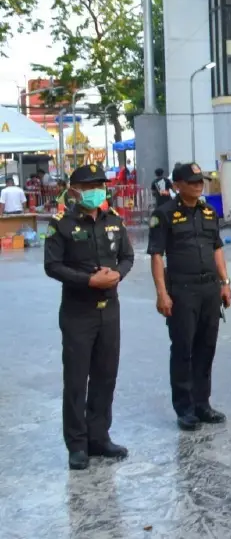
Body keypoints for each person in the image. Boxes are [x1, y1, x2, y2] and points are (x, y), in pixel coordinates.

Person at [43, 162, 134, 470]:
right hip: (78, 312)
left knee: (106, 376)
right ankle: (77, 445)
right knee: (76, 379)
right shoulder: (61, 224)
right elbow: (52, 265)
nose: (96, 191)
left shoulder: (113, 220)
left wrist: (116, 275)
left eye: (99, 185)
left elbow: (128, 256)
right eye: (89, 186)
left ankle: (99, 437)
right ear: (74, 190)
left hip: (110, 310)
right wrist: (88, 281)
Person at [147, 163, 231, 431]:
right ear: (177, 185)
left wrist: (225, 282)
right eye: (192, 181)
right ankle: (184, 408)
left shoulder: (208, 212)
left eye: (200, 181)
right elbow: (157, 255)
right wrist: (162, 293)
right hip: (182, 291)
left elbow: (217, 248)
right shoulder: (164, 214)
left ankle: (202, 404)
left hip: (209, 289)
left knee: (207, 347)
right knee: (183, 349)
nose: (199, 185)